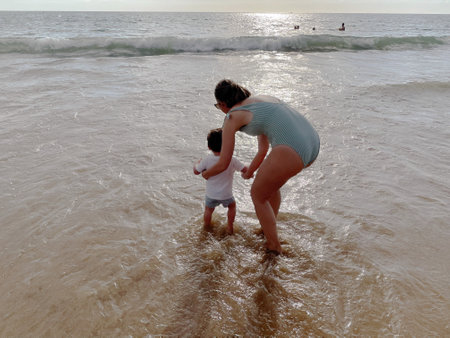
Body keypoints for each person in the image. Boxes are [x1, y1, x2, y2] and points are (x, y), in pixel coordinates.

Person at [202, 79, 320, 255]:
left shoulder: (232, 116)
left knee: (257, 194)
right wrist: (250, 171)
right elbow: (263, 149)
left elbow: (223, 162)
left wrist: (206, 174)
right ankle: (268, 230)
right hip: (312, 143)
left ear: (222, 104)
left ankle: (274, 246)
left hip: (291, 148)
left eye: (218, 107)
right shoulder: (260, 101)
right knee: (269, 188)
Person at [194, 128, 248, 234]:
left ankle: (206, 225)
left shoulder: (207, 160)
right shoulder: (232, 159)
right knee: (232, 207)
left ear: (209, 147)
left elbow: (196, 171)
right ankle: (230, 226)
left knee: (208, 210)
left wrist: (197, 163)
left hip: (211, 195)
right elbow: (244, 170)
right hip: (226, 195)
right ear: (227, 145)